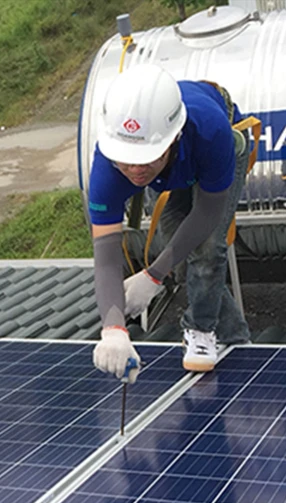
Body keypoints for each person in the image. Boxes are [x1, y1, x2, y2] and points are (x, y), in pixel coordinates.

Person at [88, 64, 252, 379]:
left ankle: (202, 330)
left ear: (174, 138)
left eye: (148, 158)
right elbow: (106, 256)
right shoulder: (108, 170)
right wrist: (114, 328)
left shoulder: (211, 132)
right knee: (173, 241)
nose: (136, 170)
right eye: (126, 160)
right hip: (178, 165)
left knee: (206, 246)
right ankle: (236, 338)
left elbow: (206, 215)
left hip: (215, 149)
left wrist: (152, 276)